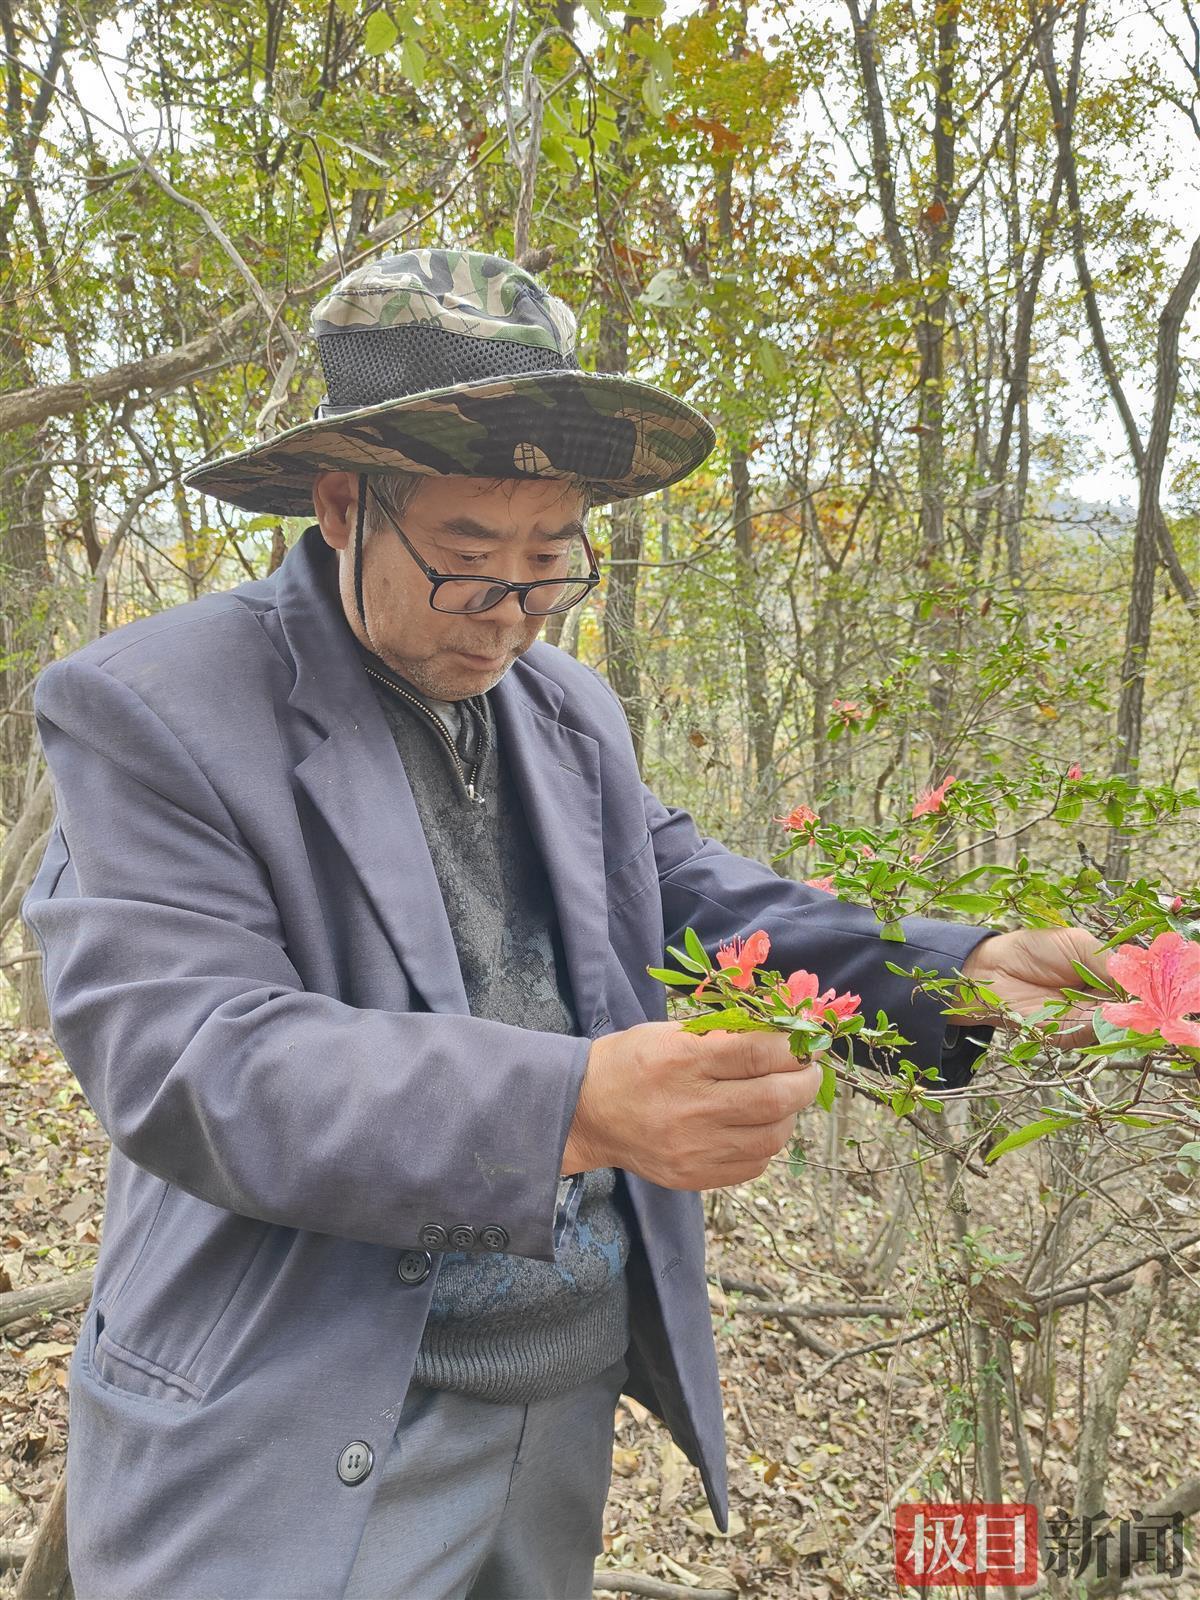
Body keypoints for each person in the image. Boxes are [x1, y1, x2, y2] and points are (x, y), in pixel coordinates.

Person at [21, 248, 1108, 1600]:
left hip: (553, 1398)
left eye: (553, 563)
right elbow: (199, 1059)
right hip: (294, 1406)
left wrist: (964, 964)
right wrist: (573, 1103)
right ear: (343, 502)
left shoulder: (564, 707)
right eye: (470, 562)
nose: (514, 616)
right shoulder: (158, 705)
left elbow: (685, 894)